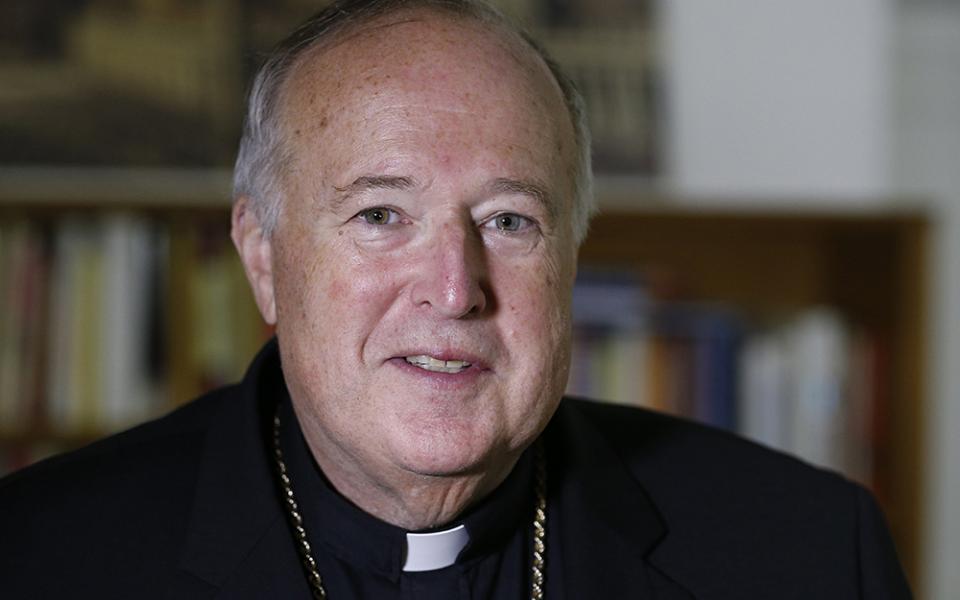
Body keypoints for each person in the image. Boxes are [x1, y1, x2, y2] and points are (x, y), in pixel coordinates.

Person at [0, 0, 911, 597]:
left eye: (511, 222)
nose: (454, 288)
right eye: (382, 214)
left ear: (571, 260)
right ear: (264, 259)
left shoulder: (812, 553)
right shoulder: (40, 556)